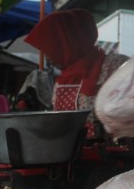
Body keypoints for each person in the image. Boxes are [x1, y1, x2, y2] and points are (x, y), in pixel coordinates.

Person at [24, 9, 128, 138]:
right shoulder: (64, 77)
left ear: (68, 43)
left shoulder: (115, 66)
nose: (47, 57)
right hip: (70, 151)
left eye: (51, 48)